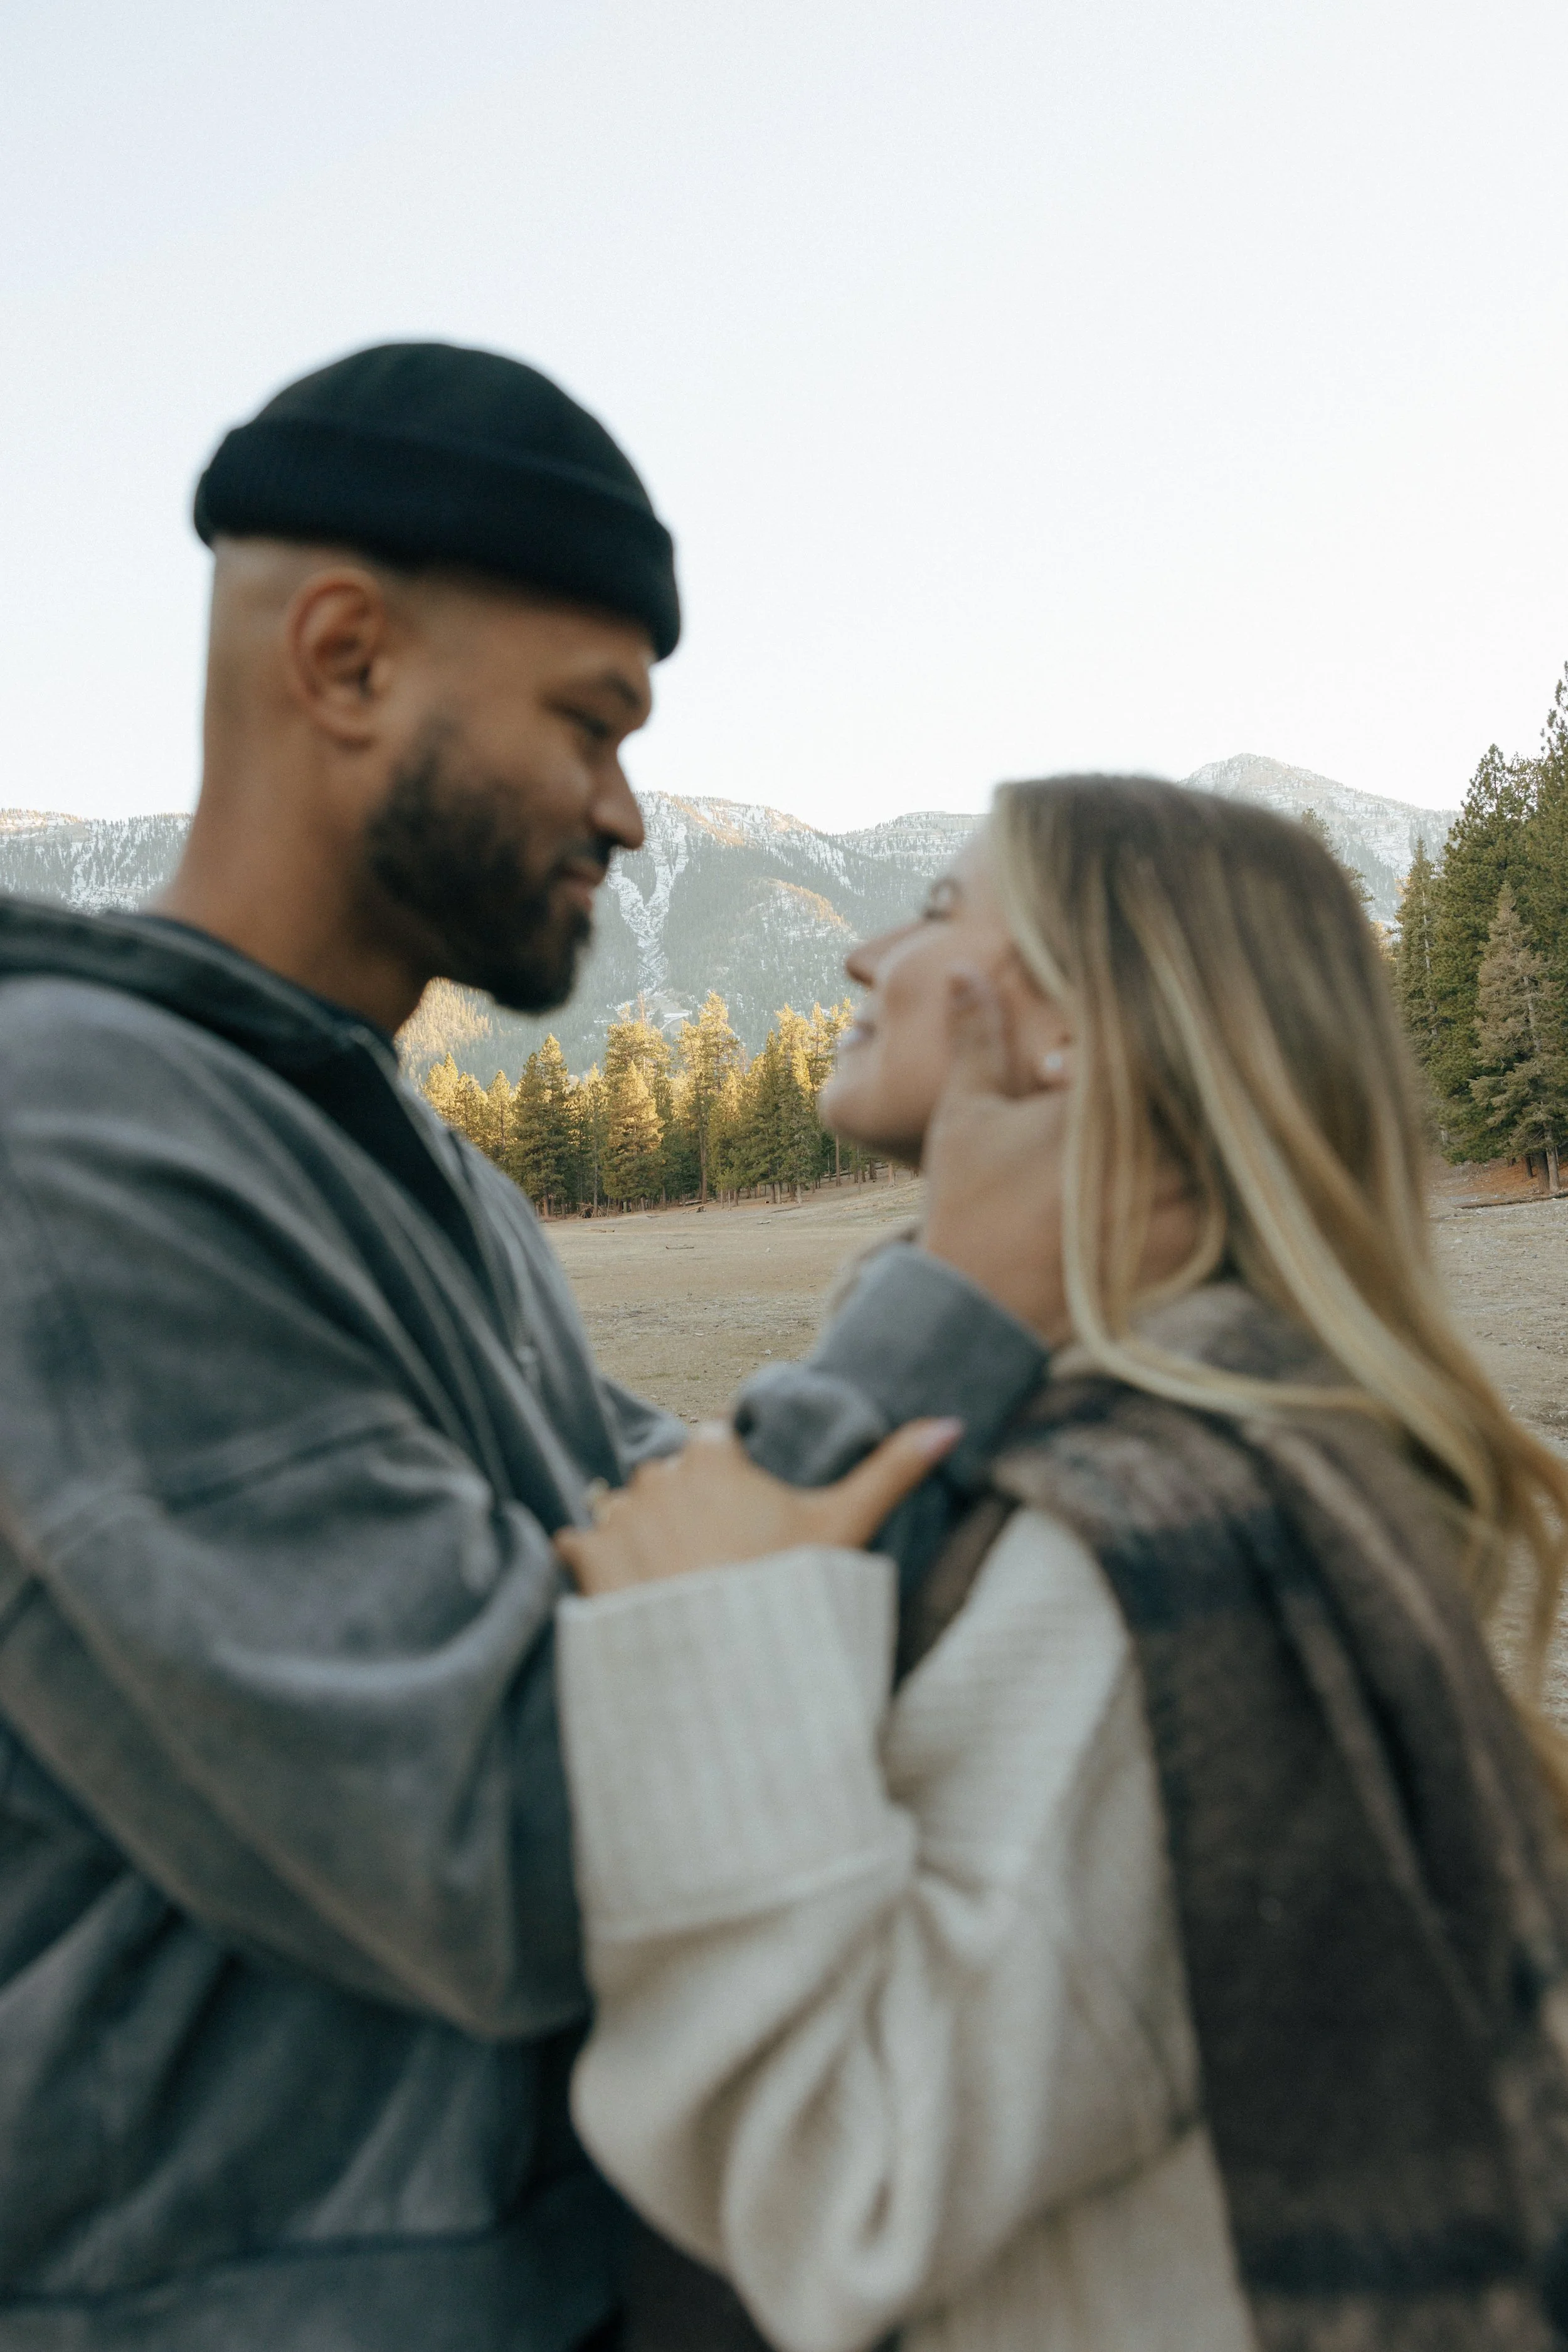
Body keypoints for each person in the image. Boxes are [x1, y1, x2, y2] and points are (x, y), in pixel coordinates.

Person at [0, 344, 1048, 2351]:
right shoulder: (65, 1149)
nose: (630, 810)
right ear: (344, 659)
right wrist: (979, 1281)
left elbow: (693, 1538)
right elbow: (503, 1823)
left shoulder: (403, 1158)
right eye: (589, 721)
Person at [554, 774, 1568, 2352]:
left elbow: (852, 2197)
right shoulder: (1189, 1452)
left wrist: (716, 1641)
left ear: (1070, 1034)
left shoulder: (1148, 1550)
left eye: (944, 912)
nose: (861, 956)